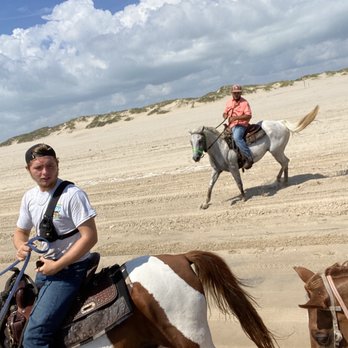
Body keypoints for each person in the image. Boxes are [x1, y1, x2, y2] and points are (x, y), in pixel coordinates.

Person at [13, 143, 98, 348]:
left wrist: (57, 265)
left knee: (34, 337)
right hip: (45, 269)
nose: (45, 172)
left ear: (57, 165)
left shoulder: (73, 195)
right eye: (38, 168)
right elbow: (21, 231)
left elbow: (90, 237)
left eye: (50, 166)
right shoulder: (30, 197)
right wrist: (20, 246)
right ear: (28, 170)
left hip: (69, 271)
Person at [222, 84, 253, 169]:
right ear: (232, 93)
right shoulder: (229, 102)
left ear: (241, 93)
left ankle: (249, 157)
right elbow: (225, 112)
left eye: (238, 93)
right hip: (231, 125)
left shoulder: (245, 103)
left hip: (241, 125)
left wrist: (235, 118)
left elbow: (248, 116)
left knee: (237, 138)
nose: (236, 94)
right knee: (222, 139)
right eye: (234, 93)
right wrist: (224, 115)